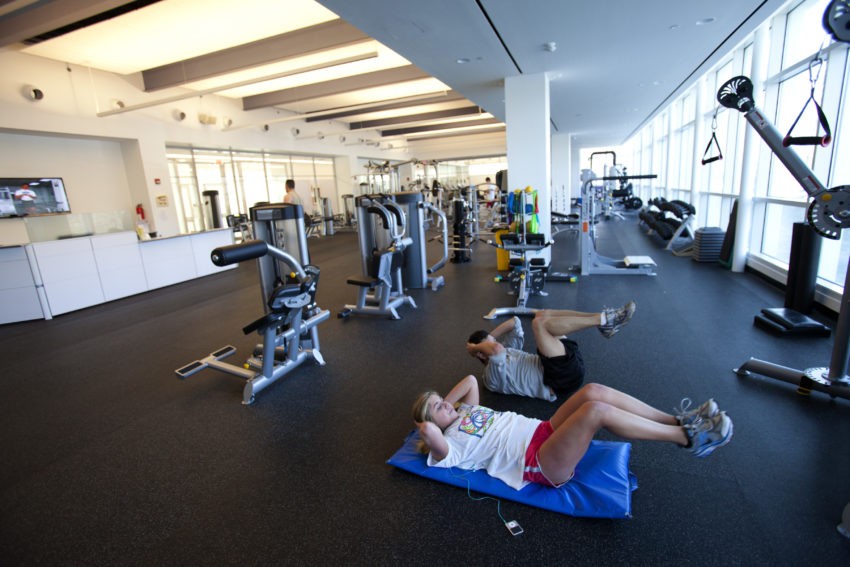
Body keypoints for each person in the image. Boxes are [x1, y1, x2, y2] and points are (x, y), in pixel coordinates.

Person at [412, 375, 732, 491]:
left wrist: (444, 405)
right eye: (439, 407)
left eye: (444, 400)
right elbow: (427, 429)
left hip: (542, 430)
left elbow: (469, 380)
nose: (447, 405)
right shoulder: (450, 447)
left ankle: (676, 421)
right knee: (596, 413)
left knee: (594, 391)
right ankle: (691, 439)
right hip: (538, 460)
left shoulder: (466, 411)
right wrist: (429, 418)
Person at [466, 302, 635, 401]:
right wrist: (475, 348)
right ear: (481, 354)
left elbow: (515, 322)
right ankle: (603, 320)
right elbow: (495, 349)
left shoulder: (507, 351)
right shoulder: (491, 376)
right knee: (538, 325)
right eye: (487, 344)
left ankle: (603, 318)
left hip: (563, 362)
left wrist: (489, 336)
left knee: (541, 315)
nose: (495, 342)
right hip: (557, 381)